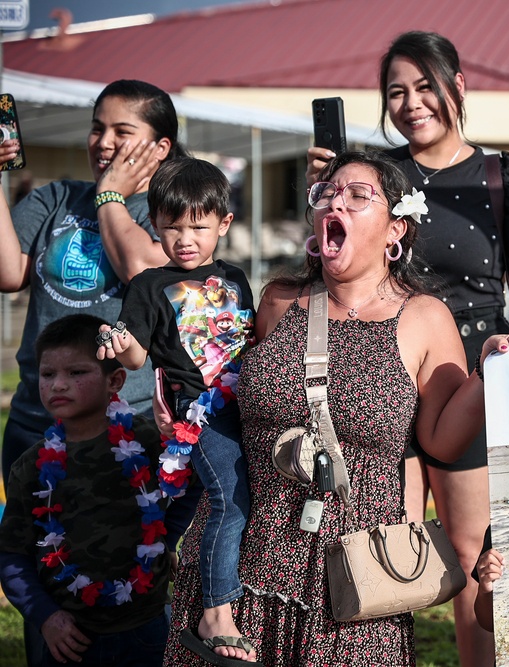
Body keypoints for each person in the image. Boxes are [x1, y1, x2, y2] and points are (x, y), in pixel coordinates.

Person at [164, 151, 509, 666]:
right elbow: (223, 398)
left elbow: (443, 441)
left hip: (356, 575)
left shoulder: (424, 317)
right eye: (327, 193)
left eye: (358, 196)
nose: (337, 202)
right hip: (244, 559)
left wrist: (488, 371)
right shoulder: (279, 301)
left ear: (396, 228)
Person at [306, 31, 509, 666]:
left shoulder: (502, 177)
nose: (412, 104)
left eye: (425, 87)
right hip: (378, 384)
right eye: (396, 92)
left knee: (471, 555)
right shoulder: (370, 178)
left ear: (457, 87)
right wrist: (324, 194)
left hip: (465, 383)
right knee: (380, 549)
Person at [96, 158, 257, 665]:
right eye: (172, 227)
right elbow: (139, 356)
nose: (185, 239)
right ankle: (215, 612)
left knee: (192, 500)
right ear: (155, 225)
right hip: (197, 414)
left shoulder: (236, 278)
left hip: (243, 404)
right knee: (229, 499)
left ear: (223, 225)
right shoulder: (147, 284)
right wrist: (118, 340)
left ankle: (154, 556)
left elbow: (248, 342)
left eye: (198, 227)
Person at [0, 79, 187, 485]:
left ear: (161, 148)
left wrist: (109, 195)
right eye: (97, 128)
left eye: (122, 132)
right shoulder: (56, 198)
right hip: (35, 420)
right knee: (25, 547)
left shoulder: (171, 215)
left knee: (118, 548)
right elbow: (8, 274)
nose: (104, 142)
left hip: (123, 427)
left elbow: (141, 271)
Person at [0, 314, 198, 667]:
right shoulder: (29, 468)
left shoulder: (147, 441)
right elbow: (12, 555)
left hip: (147, 629)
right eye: (48, 375)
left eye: (76, 373)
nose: (58, 385)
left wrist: (166, 539)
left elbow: (192, 485)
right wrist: (46, 617)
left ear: (115, 380)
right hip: (70, 638)